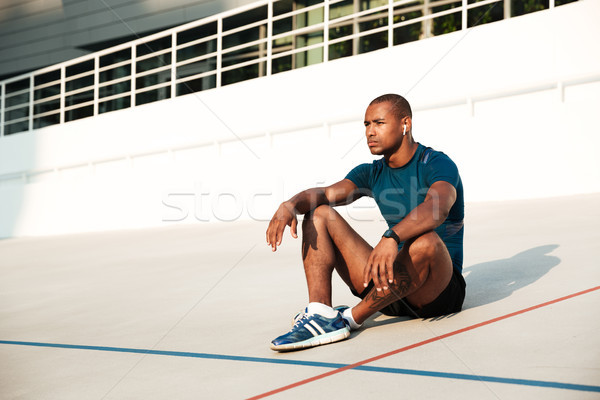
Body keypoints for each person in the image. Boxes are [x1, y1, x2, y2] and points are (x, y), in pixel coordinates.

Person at [266, 94, 465, 352]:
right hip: (389, 289)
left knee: (426, 241)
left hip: (435, 292)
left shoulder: (436, 163)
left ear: (405, 124)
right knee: (319, 213)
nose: (370, 132)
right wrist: (291, 203)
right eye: (366, 125)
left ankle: (349, 319)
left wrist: (392, 236)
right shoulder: (372, 172)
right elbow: (325, 194)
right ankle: (321, 313)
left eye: (379, 123)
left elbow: (436, 209)